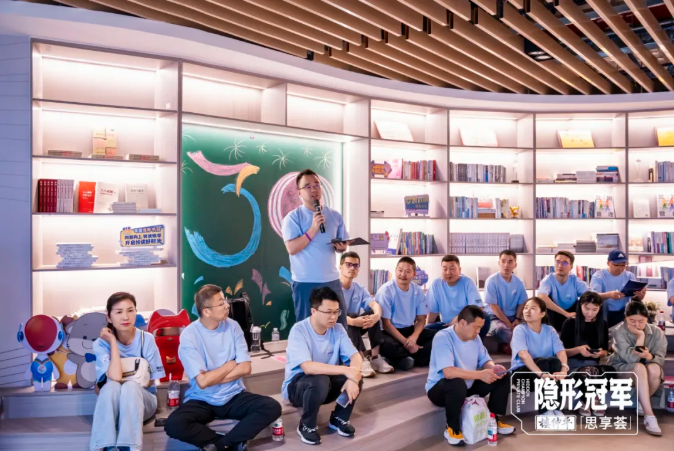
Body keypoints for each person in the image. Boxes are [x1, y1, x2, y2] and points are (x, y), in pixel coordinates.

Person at [164, 285, 282, 451]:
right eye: (221, 303)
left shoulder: (233, 326)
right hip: (202, 399)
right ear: (206, 311)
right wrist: (230, 364)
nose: (227, 306)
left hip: (233, 395)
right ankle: (232, 444)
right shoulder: (189, 336)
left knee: (271, 407)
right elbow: (202, 383)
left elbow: (245, 368)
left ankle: (222, 445)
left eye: (225, 301)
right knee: (174, 424)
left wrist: (211, 378)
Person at [283, 287, 363, 446]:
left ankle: (338, 418)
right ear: (314, 311)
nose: (333, 317)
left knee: (356, 376)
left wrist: (353, 378)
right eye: (328, 312)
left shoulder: (338, 329)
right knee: (321, 380)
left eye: (336, 312)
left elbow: (355, 356)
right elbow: (308, 368)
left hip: (324, 385)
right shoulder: (299, 330)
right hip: (298, 388)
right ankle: (307, 425)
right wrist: (347, 370)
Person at [426, 306, 515, 446]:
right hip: (441, 390)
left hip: (467, 387)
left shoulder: (475, 338)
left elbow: (485, 360)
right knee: (456, 382)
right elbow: (448, 372)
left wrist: (493, 368)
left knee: (503, 376)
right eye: (476, 327)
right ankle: (452, 428)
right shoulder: (443, 337)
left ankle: (493, 421)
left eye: (480, 328)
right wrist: (480, 375)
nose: (478, 331)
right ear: (462, 322)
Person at [90, 292, 166, 451]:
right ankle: (102, 447)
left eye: (130, 310)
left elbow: (150, 381)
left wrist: (120, 383)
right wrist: (112, 342)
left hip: (143, 402)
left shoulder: (146, 339)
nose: (125, 316)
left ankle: (129, 447)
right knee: (111, 387)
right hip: (114, 405)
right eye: (119, 312)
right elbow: (115, 378)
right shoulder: (101, 344)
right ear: (109, 317)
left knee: (128, 388)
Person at [282, 169, 350, 327]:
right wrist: (313, 229)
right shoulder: (293, 218)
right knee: (307, 328)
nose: (313, 189)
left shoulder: (335, 215)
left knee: (339, 326)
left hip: (331, 280)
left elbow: (342, 244)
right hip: (305, 282)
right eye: (307, 186)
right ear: (299, 193)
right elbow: (291, 248)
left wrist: (341, 248)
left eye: (316, 185)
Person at [607, 301, 667, 436]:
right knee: (639, 367)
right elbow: (630, 359)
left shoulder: (657, 332)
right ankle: (649, 415)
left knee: (655, 369)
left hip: (646, 369)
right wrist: (641, 337)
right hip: (622, 367)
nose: (636, 325)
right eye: (632, 321)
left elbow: (660, 357)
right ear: (625, 318)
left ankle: (642, 403)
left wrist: (649, 356)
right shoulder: (619, 331)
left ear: (647, 319)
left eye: (641, 321)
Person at [510, 297, 569, 417]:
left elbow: (561, 351)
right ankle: (545, 411)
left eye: (532, 308)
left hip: (545, 373)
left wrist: (563, 370)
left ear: (542, 313)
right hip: (522, 377)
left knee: (554, 361)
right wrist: (541, 374)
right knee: (542, 362)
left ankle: (556, 408)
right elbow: (523, 355)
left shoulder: (550, 330)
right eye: (526, 308)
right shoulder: (520, 330)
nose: (527, 311)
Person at [560, 291, 615, 417]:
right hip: (574, 366)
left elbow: (605, 351)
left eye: (594, 309)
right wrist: (578, 350)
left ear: (600, 308)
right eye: (587, 309)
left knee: (610, 371)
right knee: (588, 372)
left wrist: (601, 353)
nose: (590, 313)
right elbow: (562, 352)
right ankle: (593, 399)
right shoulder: (570, 323)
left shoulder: (602, 324)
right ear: (580, 306)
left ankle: (586, 401)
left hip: (594, 365)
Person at [376, 257, 437, 370]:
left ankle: (402, 359)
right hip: (389, 331)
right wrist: (406, 343)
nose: (403, 274)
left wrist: (413, 338)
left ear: (414, 274)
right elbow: (386, 324)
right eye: (400, 270)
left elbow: (421, 319)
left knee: (439, 336)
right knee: (388, 346)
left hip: (409, 330)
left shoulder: (417, 290)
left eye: (407, 271)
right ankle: (416, 357)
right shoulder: (386, 291)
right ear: (395, 271)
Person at [339, 251, 394, 377]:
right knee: (352, 315)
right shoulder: (334, 288)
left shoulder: (359, 288)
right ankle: (360, 360)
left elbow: (375, 305)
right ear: (340, 267)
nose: (352, 268)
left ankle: (375, 358)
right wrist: (353, 321)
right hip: (337, 328)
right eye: (348, 264)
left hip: (354, 327)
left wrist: (376, 316)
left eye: (356, 265)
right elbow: (333, 315)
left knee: (372, 313)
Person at [425, 255, 490, 339]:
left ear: (459, 270)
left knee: (485, 316)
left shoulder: (467, 282)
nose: (448, 272)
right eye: (445, 269)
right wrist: (426, 329)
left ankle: (474, 344)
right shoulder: (436, 284)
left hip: (466, 324)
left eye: (452, 269)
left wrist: (457, 319)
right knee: (427, 329)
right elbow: (432, 311)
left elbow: (478, 308)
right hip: (446, 325)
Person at [484, 250, 528, 354]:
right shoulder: (491, 281)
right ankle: (521, 348)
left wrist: (517, 318)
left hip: (513, 317)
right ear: (499, 263)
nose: (506, 265)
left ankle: (509, 347)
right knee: (501, 329)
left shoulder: (519, 282)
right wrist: (508, 323)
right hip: (495, 317)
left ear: (515, 265)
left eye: (510, 262)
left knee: (530, 327)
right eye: (503, 261)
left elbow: (522, 303)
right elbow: (493, 306)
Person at [589, 249, 647, 328]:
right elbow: (593, 297)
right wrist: (609, 295)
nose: (620, 268)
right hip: (605, 312)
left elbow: (634, 297)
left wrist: (640, 296)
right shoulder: (598, 276)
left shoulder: (629, 276)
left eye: (623, 265)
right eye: (616, 265)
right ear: (608, 263)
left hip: (625, 312)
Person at [537, 251, 589, 332]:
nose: (560, 266)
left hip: (572, 314)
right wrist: (565, 313)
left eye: (564, 263)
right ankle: (552, 333)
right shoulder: (548, 280)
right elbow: (541, 297)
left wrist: (608, 295)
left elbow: (591, 295)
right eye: (557, 262)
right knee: (544, 302)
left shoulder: (575, 280)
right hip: (554, 314)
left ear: (571, 267)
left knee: (584, 300)